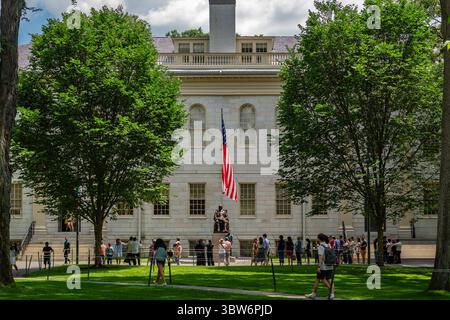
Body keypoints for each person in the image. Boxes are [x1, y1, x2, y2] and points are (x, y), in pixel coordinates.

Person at [305, 233, 336, 300]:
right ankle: (314, 293)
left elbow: (321, 257)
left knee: (322, 279)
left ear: (319, 239)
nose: (317, 238)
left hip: (323, 266)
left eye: (317, 237)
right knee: (325, 279)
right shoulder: (328, 245)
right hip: (330, 265)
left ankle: (331, 292)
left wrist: (319, 267)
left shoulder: (321, 246)